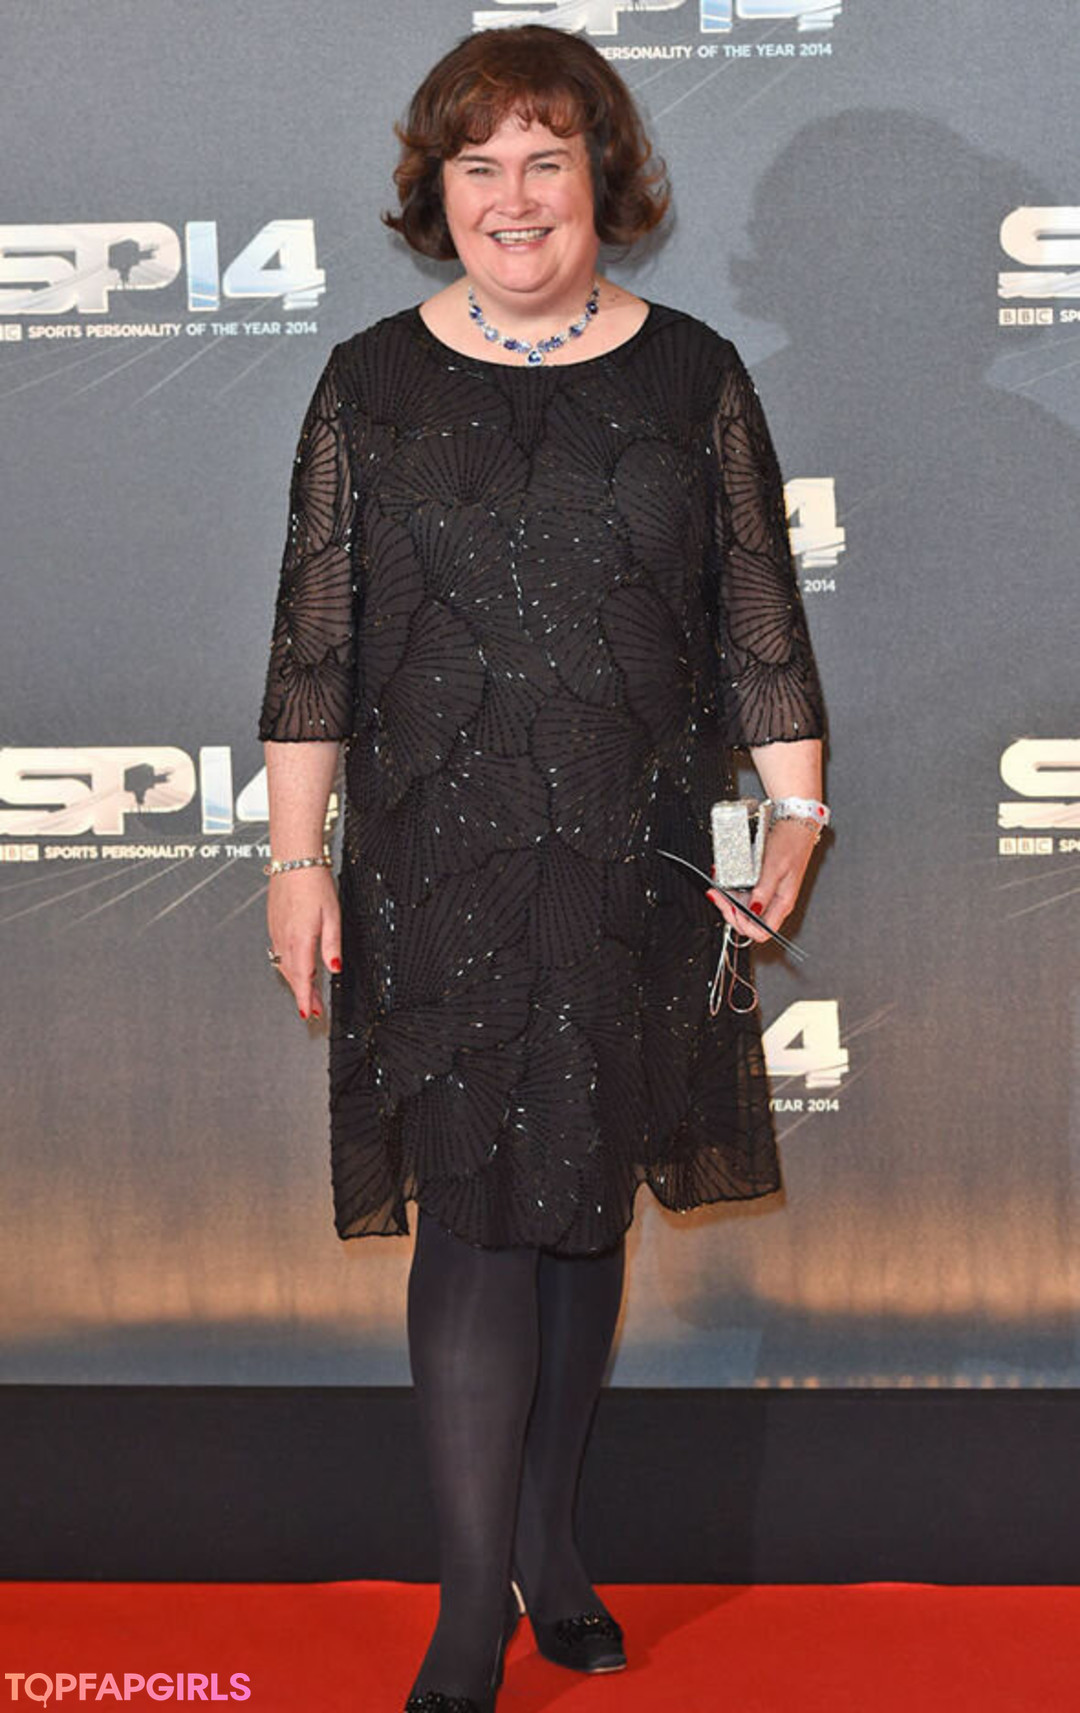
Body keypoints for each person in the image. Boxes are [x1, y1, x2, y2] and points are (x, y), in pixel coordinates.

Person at [258, 24, 827, 1712]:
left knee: (582, 1216)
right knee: (475, 1220)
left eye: (546, 161)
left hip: (635, 861)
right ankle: (464, 1608)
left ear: (603, 179)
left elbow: (759, 624)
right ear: (438, 193)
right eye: (479, 165)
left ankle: (553, 1550)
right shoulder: (368, 384)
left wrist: (795, 816)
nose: (514, 198)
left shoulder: (695, 377)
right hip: (437, 866)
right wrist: (294, 857)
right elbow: (314, 650)